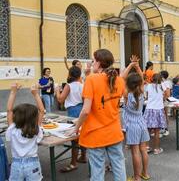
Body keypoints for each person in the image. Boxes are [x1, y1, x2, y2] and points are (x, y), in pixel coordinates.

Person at [69, 49, 126, 180]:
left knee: (97, 170)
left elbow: (85, 110)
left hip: (96, 133)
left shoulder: (91, 79)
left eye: (93, 61)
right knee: (118, 166)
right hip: (114, 132)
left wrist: (76, 128)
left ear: (99, 63)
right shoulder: (119, 80)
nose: (92, 63)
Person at [6, 83, 45, 180]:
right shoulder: (36, 129)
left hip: (16, 164)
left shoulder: (12, 129)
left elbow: (9, 111)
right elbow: (42, 111)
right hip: (33, 164)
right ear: (34, 118)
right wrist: (35, 94)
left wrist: (13, 92)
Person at [121, 55, 150, 181]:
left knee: (135, 152)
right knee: (143, 149)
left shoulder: (127, 93)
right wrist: (137, 65)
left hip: (132, 125)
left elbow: (122, 77)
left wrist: (131, 65)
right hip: (142, 123)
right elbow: (142, 77)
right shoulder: (141, 90)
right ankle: (145, 173)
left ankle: (137, 177)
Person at [55, 66, 87, 173]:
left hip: (73, 110)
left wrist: (57, 91)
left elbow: (60, 100)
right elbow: (84, 99)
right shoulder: (82, 85)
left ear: (70, 75)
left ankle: (73, 163)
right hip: (81, 108)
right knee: (81, 134)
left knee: (74, 138)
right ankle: (83, 156)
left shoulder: (69, 86)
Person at [143, 73, 167, 155]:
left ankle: (146, 147)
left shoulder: (148, 86)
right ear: (160, 79)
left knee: (148, 130)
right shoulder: (162, 85)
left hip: (149, 109)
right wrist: (163, 97)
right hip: (158, 109)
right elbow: (167, 94)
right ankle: (156, 149)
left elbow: (146, 95)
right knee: (157, 131)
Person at [160, 70, 172, 136]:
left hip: (164, 101)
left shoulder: (166, 83)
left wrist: (163, 99)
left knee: (165, 115)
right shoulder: (164, 82)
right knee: (163, 115)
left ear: (162, 76)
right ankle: (163, 128)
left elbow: (167, 93)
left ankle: (166, 129)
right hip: (163, 101)